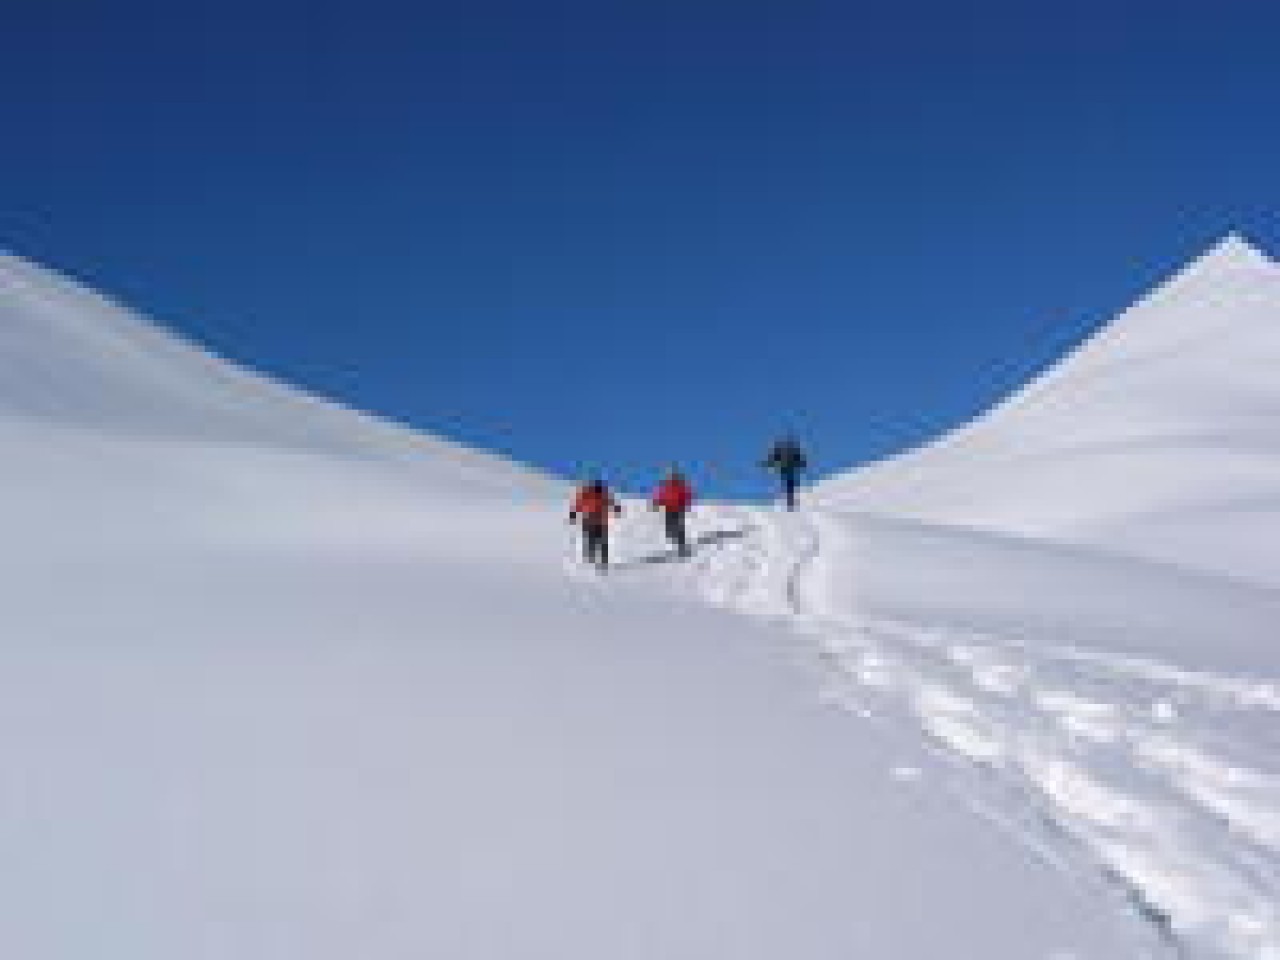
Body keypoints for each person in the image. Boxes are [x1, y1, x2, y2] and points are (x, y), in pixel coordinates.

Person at [569, 479, 622, 570]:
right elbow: (579, 503)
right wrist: (573, 513)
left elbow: (579, 504)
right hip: (594, 519)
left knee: (597, 539)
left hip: (596, 520)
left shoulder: (598, 494)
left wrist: (573, 513)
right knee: (596, 539)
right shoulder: (594, 494)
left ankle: (599, 558)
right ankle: (596, 557)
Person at [651, 468, 694, 558]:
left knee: (678, 527)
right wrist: (657, 503)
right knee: (670, 527)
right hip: (669, 508)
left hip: (678, 508)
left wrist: (686, 504)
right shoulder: (666, 486)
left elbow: (687, 494)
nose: (671, 479)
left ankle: (681, 546)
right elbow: (662, 495)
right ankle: (677, 540)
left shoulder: (680, 486)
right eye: (670, 477)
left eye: (673, 477)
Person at [762, 436, 807, 510]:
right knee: (789, 485)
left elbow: (775, 460)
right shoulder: (786, 453)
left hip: (787, 470)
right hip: (787, 470)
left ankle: (790, 503)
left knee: (789, 485)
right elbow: (775, 459)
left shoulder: (786, 453)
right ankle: (789, 502)